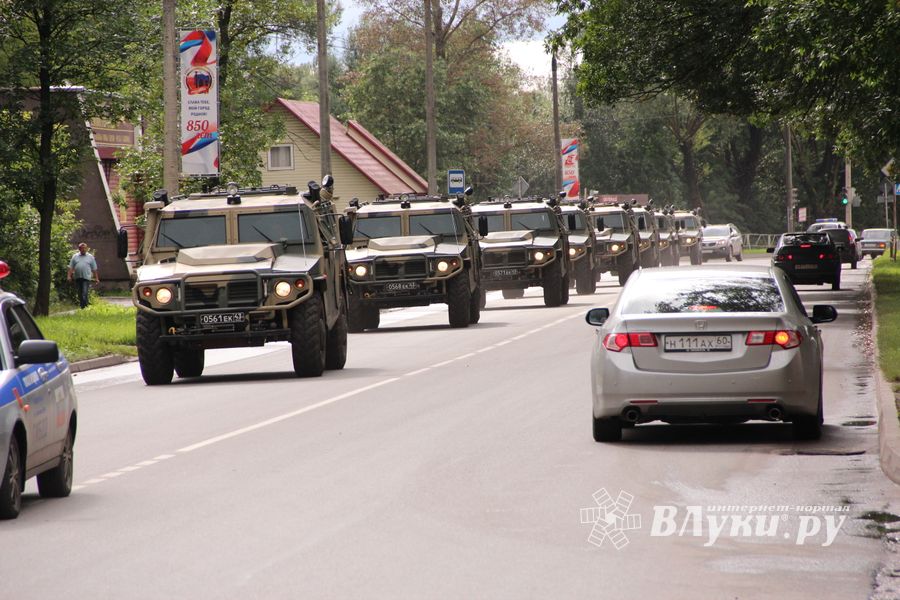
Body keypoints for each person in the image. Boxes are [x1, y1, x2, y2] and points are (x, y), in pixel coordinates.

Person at [67, 242, 99, 309]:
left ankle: (85, 306)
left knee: (84, 292)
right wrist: (69, 276)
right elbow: (71, 267)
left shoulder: (90, 257)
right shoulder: (75, 256)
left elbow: (94, 268)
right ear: (79, 249)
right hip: (77, 277)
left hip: (86, 277)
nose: (84, 250)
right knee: (80, 293)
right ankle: (83, 306)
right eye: (82, 248)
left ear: (87, 249)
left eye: (85, 248)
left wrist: (97, 278)